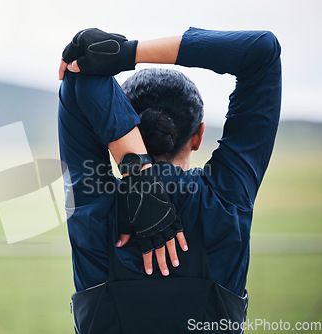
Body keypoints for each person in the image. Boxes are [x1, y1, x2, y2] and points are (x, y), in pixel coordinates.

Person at [58, 27, 281, 333]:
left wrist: (138, 173)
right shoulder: (226, 198)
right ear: (199, 135)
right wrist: (127, 53)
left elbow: (78, 77)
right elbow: (261, 51)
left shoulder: (94, 203)